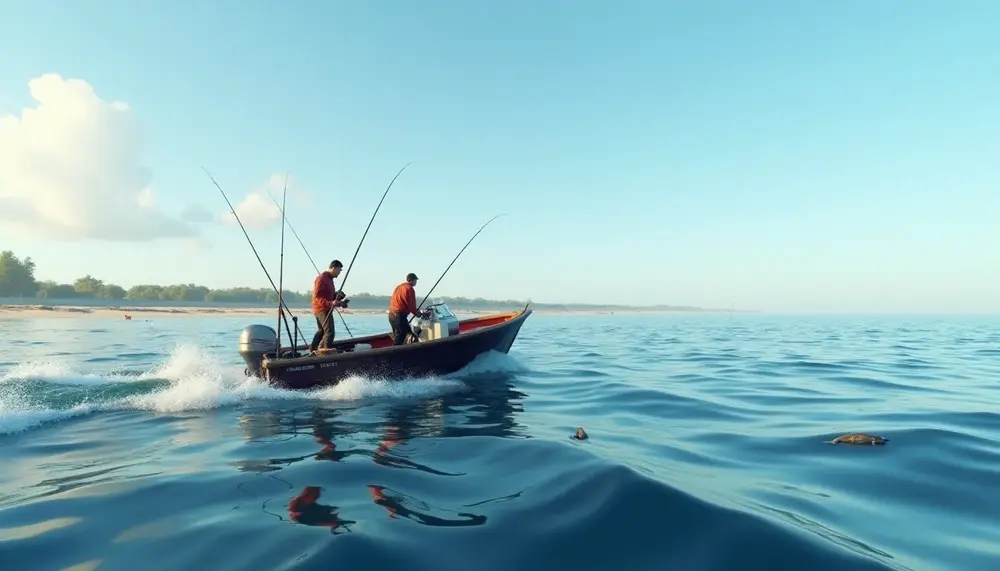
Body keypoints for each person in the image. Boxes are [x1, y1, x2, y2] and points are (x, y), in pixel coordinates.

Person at [311, 260, 346, 351]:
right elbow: (317, 297)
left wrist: (339, 300)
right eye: (339, 270)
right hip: (321, 309)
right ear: (334, 268)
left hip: (325, 308)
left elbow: (329, 296)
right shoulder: (322, 278)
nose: (339, 273)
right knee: (329, 332)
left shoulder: (330, 279)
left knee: (322, 331)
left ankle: (313, 349)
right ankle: (325, 353)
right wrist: (331, 303)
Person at [388, 272, 429, 345]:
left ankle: (395, 351)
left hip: (391, 315)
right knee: (409, 335)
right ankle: (394, 352)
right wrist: (419, 314)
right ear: (413, 280)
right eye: (416, 280)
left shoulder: (399, 287)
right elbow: (412, 306)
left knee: (398, 335)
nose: (416, 282)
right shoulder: (410, 289)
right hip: (399, 316)